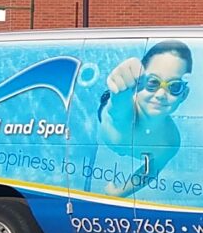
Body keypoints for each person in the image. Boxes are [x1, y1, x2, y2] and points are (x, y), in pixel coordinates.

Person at [81, 41, 192, 197]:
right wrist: (120, 89)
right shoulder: (126, 113)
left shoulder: (171, 142)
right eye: (153, 83)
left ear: (184, 94)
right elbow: (117, 110)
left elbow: (149, 171)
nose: (161, 94)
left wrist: (119, 193)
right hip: (110, 104)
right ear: (140, 84)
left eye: (174, 87)